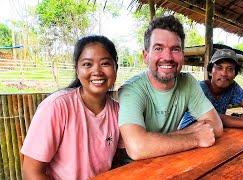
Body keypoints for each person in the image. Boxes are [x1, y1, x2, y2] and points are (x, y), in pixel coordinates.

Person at [118, 15, 223, 161]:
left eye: (175, 49)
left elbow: (216, 126)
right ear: (145, 56)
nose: (167, 57)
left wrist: (156, 141)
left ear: (182, 56)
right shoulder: (132, 89)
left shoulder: (188, 82)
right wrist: (194, 137)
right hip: (133, 169)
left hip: (169, 160)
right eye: (158, 48)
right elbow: (138, 148)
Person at [21, 35, 119, 179]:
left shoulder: (118, 111)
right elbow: (31, 172)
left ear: (116, 67)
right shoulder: (57, 106)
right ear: (77, 70)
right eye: (87, 64)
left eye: (105, 63)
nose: (97, 71)